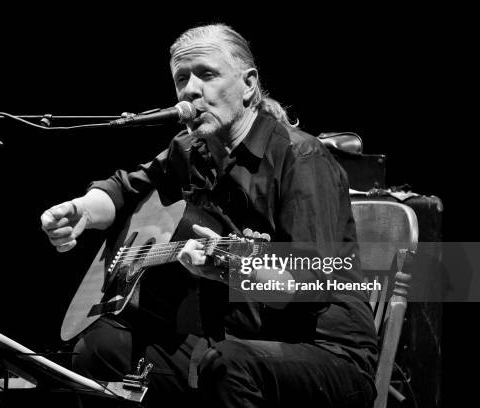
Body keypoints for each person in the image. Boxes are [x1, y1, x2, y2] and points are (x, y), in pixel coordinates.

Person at [41, 24, 378, 408]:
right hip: (232, 342)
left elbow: (305, 283)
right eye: (181, 78)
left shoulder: (301, 158)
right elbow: (123, 188)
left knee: (229, 367)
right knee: (98, 349)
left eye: (207, 74)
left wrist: (235, 267)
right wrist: (81, 209)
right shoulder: (190, 150)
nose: (190, 89)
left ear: (249, 84)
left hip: (322, 352)